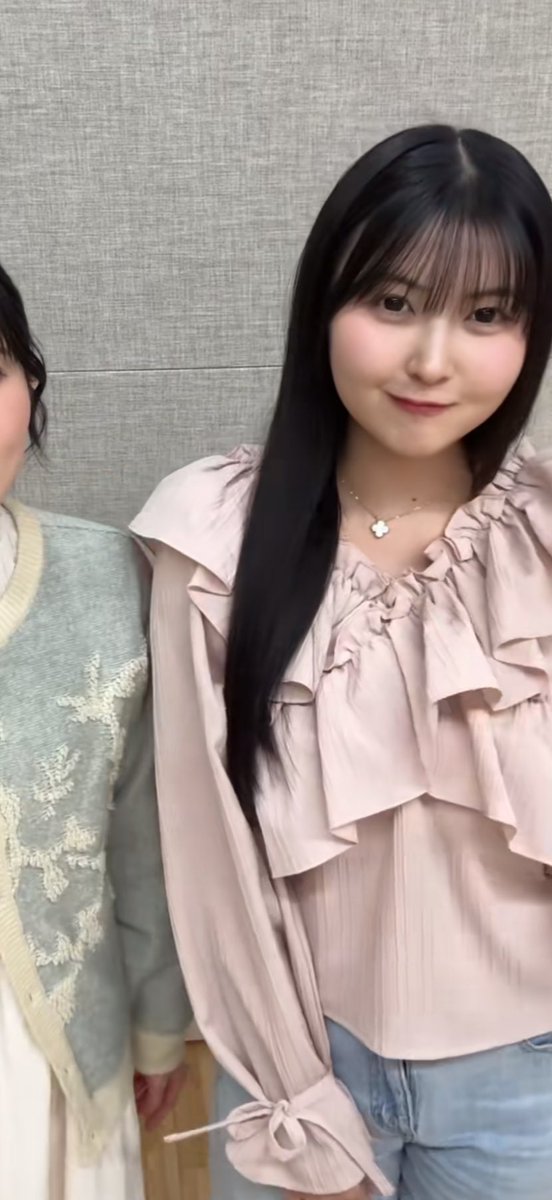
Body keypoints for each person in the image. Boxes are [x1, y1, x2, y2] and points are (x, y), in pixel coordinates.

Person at [132, 124, 552, 1199]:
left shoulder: (543, 540)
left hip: (529, 1088)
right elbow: (208, 858)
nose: (432, 360)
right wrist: (298, 1095)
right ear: (324, 302)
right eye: (395, 302)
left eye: (487, 315)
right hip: (298, 1072)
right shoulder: (214, 535)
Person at [0, 263, 191, 1199]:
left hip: (61, 1058)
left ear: (30, 385)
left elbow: (142, 832)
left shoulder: (110, 577)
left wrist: (159, 1021)